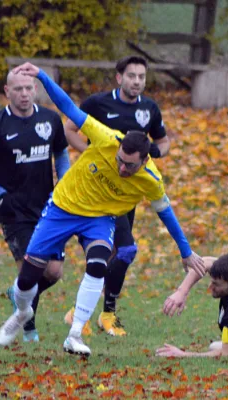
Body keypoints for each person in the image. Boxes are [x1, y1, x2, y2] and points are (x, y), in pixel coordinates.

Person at [0, 61, 206, 357]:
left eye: (129, 165)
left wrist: (186, 252)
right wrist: (41, 76)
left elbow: (166, 213)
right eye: (119, 159)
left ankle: (75, 334)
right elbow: (68, 107)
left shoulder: (151, 180)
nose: (121, 167)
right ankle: (21, 313)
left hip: (99, 219)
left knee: (97, 264)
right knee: (28, 278)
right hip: (63, 208)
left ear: (144, 161)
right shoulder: (106, 137)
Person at [64, 55, 170, 337]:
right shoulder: (98, 103)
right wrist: (88, 155)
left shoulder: (149, 109)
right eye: (132, 76)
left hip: (127, 193)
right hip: (99, 192)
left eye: (142, 77)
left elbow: (163, 141)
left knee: (113, 254)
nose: (137, 81)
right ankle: (101, 314)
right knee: (122, 250)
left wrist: (158, 152)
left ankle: (86, 314)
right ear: (119, 77)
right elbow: (69, 129)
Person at [0, 70, 70, 343]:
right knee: (31, 269)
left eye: (29, 88)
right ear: (7, 91)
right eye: (18, 89)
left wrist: (64, 181)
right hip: (14, 212)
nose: (24, 94)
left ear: (35, 90)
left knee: (54, 272)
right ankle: (29, 330)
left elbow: (61, 153)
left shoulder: (50, 119)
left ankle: (16, 295)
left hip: (50, 208)